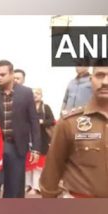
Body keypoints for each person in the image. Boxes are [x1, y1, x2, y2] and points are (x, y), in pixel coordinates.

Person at [40, 64, 108, 198]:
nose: (105, 82)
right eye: (100, 75)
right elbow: (50, 178)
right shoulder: (69, 123)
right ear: (91, 79)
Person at [0, 60, 41, 198]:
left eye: (2, 74)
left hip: (17, 147)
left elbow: (34, 120)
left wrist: (36, 148)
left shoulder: (26, 93)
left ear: (11, 74)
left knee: (15, 188)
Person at [25, 88, 55, 195]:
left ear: (41, 95)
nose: (35, 95)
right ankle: (28, 184)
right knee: (29, 162)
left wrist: (42, 121)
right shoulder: (28, 107)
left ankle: (36, 186)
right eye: (33, 94)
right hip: (29, 138)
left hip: (42, 138)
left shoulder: (45, 107)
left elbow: (52, 120)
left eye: (37, 93)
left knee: (39, 164)